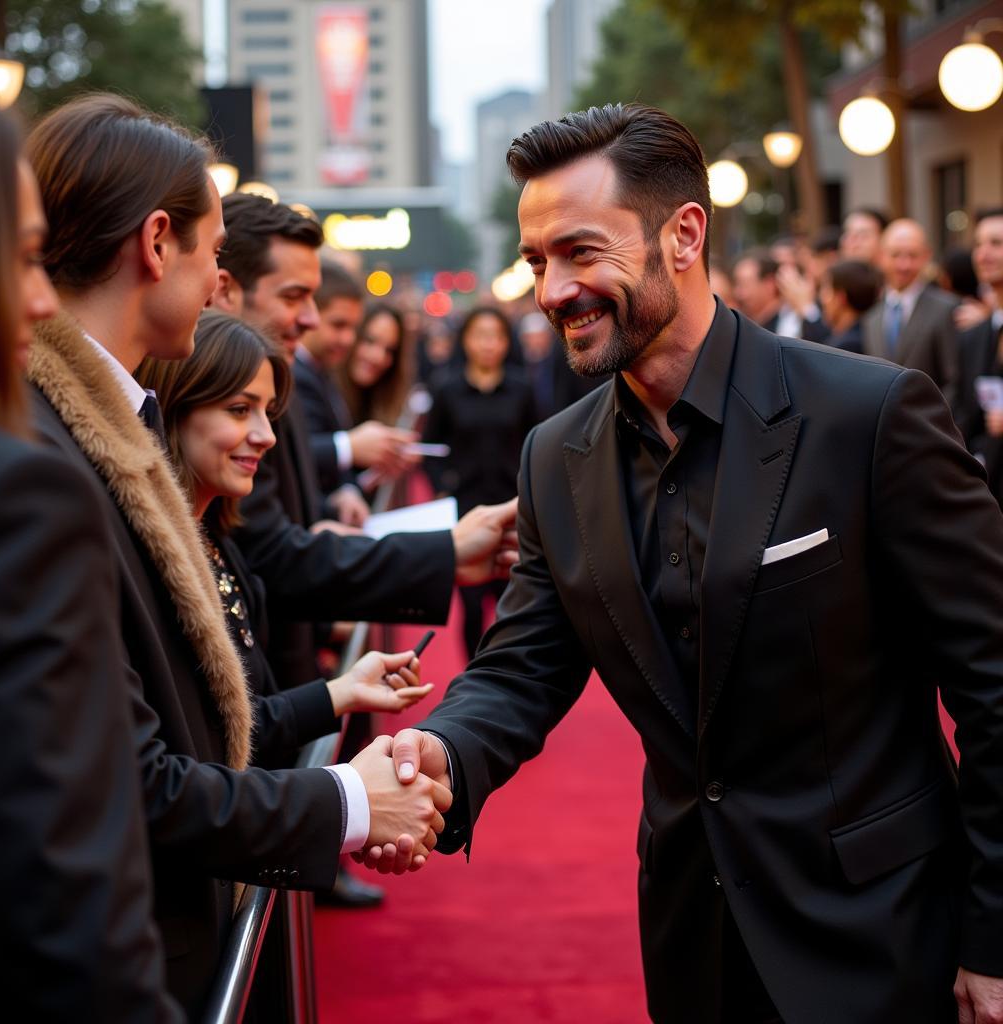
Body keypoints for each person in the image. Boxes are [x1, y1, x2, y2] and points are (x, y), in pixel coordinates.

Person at [369, 104, 1003, 1024]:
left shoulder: (868, 415)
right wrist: (447, 752)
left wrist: (993, 937)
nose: (551, 291)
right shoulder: (556, 455)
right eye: (536, 260)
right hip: (690, 939)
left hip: (884, 932)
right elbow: (524, 662)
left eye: (581, 253)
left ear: (684, 235)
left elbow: (992, 682)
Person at [23, 93, 451, 1016]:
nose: (222, 283)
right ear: (156, 243)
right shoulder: (46, 457)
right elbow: (129, 783)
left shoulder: (98, 431)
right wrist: (346, 796)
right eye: (217, 254)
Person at [0, 96, 181, 1021]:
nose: (36, 295)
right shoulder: (23, 489)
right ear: (157, 240)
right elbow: (73, 903)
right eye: (18, 258)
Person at [215, 195, 519, 693]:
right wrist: (444, 552)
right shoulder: (226, 391)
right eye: (294, 297)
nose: (311, 320)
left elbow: (281, 534)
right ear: (225, 291)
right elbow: (273, 556)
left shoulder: (274, 377)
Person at [137, 309, 435, 763]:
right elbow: (188, 768)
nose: (265, 436)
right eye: (240, 409)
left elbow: (244, 724)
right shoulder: (146, 561)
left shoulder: (219, 542)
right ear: (176, 409)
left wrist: (344, 691)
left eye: (268, 413)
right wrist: (347, 799)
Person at [423, 307, 539, 657]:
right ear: (466, 340)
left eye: (497, 336)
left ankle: (509, 670)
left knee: (513, 601)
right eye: (480, 335)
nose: (489, 344)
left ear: (507, 342)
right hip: (465, 505)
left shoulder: (522, 388)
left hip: (512, 505)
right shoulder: (447, 388)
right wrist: (441, 484)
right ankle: (472, 673)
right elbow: (432, 445)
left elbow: (539, 440)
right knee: (471, 605)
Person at [292, 261, 418, 501]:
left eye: (389, 349)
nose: (348, 339)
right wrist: (350, 447)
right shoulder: (303, 374)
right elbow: (286, 457)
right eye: (369, 340)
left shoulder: (321, 375)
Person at [861, 218, 959, 403]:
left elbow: (954, 381)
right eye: (895, 255)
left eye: (912, 255)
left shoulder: (946, 309)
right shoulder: (872, 318)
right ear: (881, 257)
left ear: (926, 256)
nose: (903, 265)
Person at [954, 209, 1003, 509]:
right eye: (978, 244)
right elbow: (963, 414)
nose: (983, 254)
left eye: (996, 243)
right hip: (985, 499)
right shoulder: (972, 337)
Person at [339, 302, 415, 429]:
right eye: (370, 341)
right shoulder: (323, 392)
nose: (378, 357)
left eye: (389, 350)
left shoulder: (382, 400)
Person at [817, 259, 883, 353]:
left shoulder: (845, 347)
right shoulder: (868, 335)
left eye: (826, 289)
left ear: (841, 298)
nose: (821, 298)